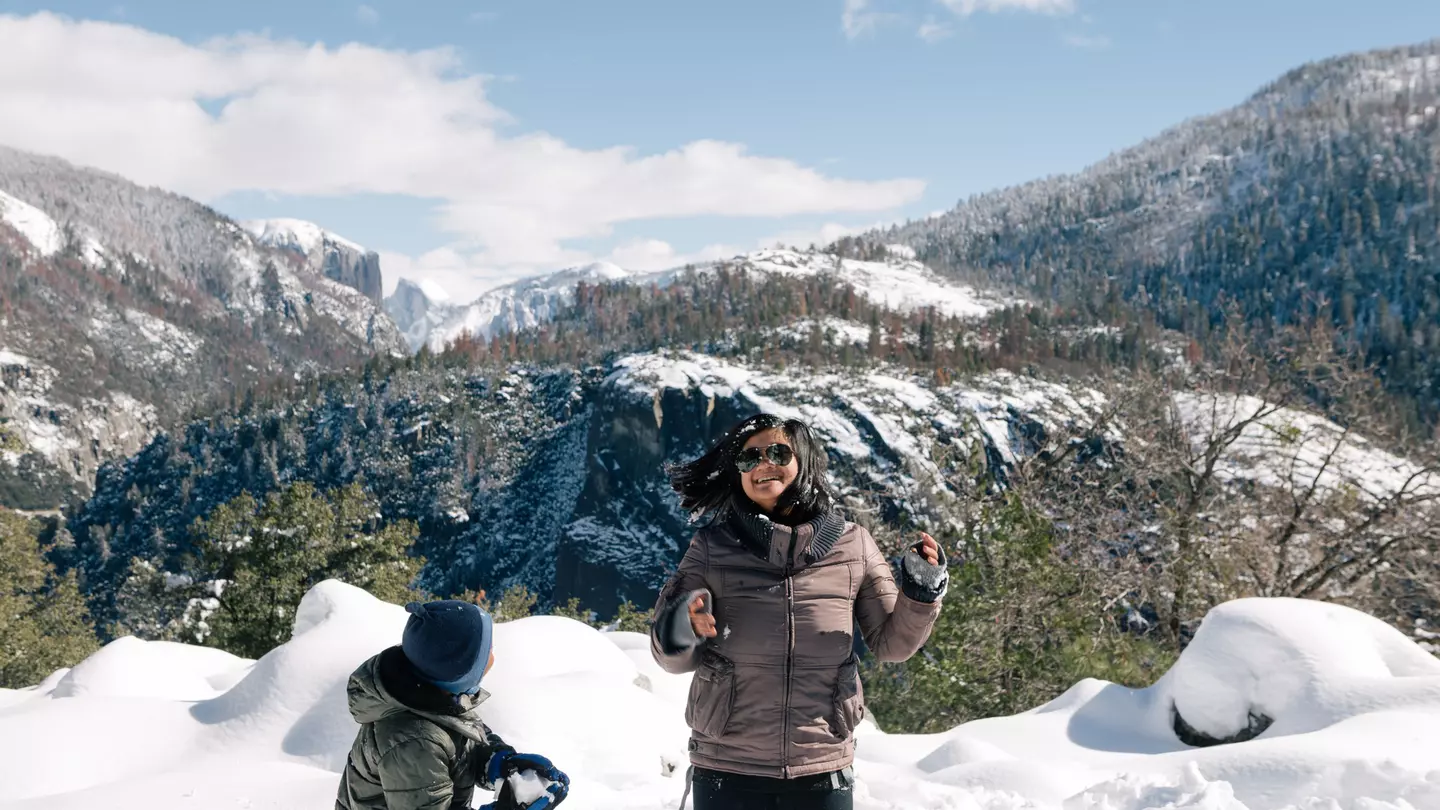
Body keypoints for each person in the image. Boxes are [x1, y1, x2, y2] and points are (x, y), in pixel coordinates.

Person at [650, 414, 949, 810]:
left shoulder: (854, 546)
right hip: (727, 766)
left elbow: (892, 645)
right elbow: (669, 658)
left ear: (804, 461)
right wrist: (680, 627)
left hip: (821, 767)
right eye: (749, 458)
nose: (763, 464)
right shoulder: (711, 548)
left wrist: (921, 593)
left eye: (778, 452)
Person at [336, 600, 571, 810]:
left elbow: (462, 739)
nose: (493, 653)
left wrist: (497, 761)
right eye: (487, 649)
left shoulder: (434, 697)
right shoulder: (413, 741)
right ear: (461, 669)